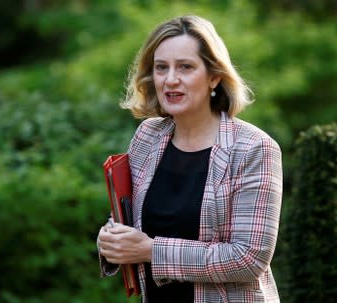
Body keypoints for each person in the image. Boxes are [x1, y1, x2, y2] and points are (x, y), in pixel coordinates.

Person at [97, 15, 283, 303]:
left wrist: (150, 250)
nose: (171, 79)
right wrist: (111, 238)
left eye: (185, 67)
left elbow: (248, 258)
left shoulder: (254, 148)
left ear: (214, 77)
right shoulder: (148, 136)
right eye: (161, 68)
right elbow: (127, 218)